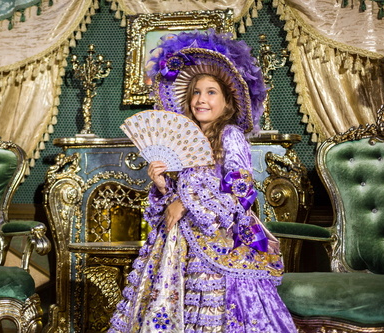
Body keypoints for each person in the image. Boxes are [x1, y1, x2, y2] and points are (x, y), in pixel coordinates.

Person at [109, 29, 297, 332]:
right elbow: (177, 196)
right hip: (179, 243)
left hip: (219, 242)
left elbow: (240, 192)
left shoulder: (230, 136)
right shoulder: (188, 138)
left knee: (212, 311)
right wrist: (162, 187)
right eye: (196, 92)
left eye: (211, 92)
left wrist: (185, 202)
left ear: (227, 102)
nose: (201, 99)